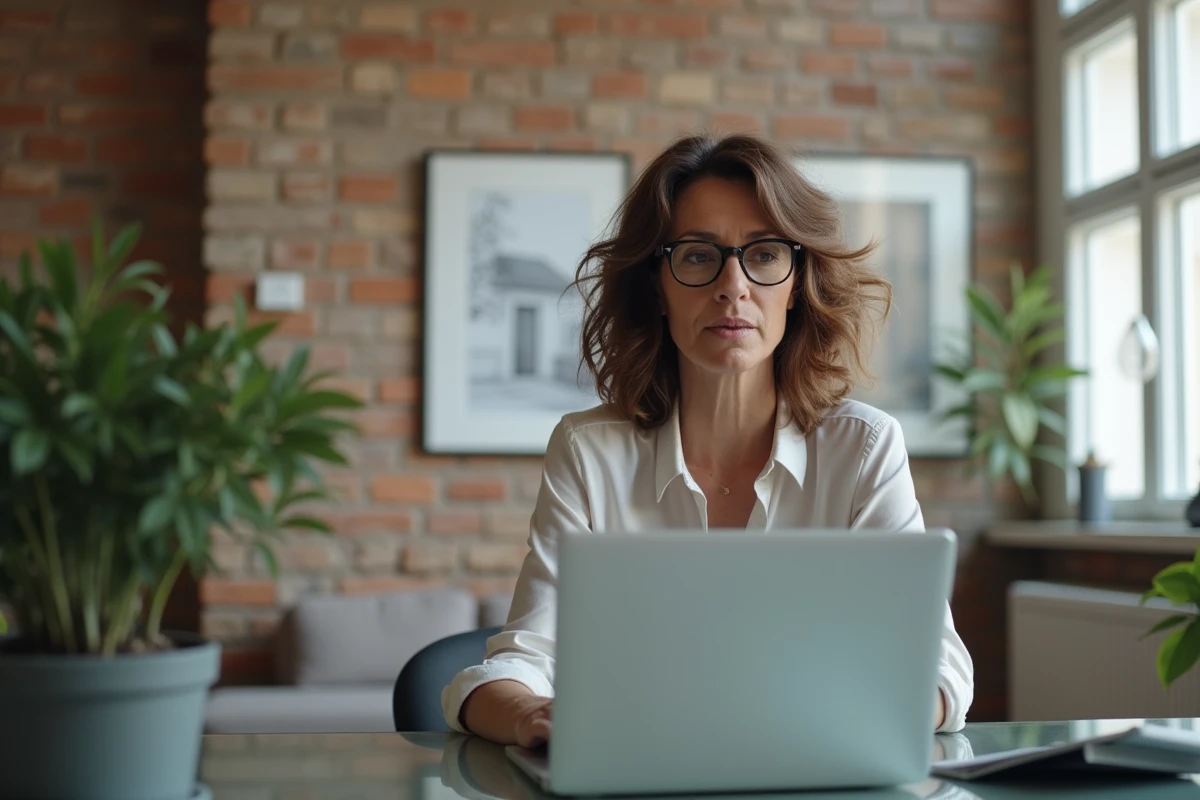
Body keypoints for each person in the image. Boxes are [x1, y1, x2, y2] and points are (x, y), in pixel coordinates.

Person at [441, 133, 975, 747]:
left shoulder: (864, 448)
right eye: (697, 256)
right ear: (657, 287)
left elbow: (939, 668)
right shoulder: (589, 451)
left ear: (797, 282)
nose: (733, 286)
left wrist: (840, 722)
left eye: (765, 254)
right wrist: (530, 717)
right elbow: (523, 657)